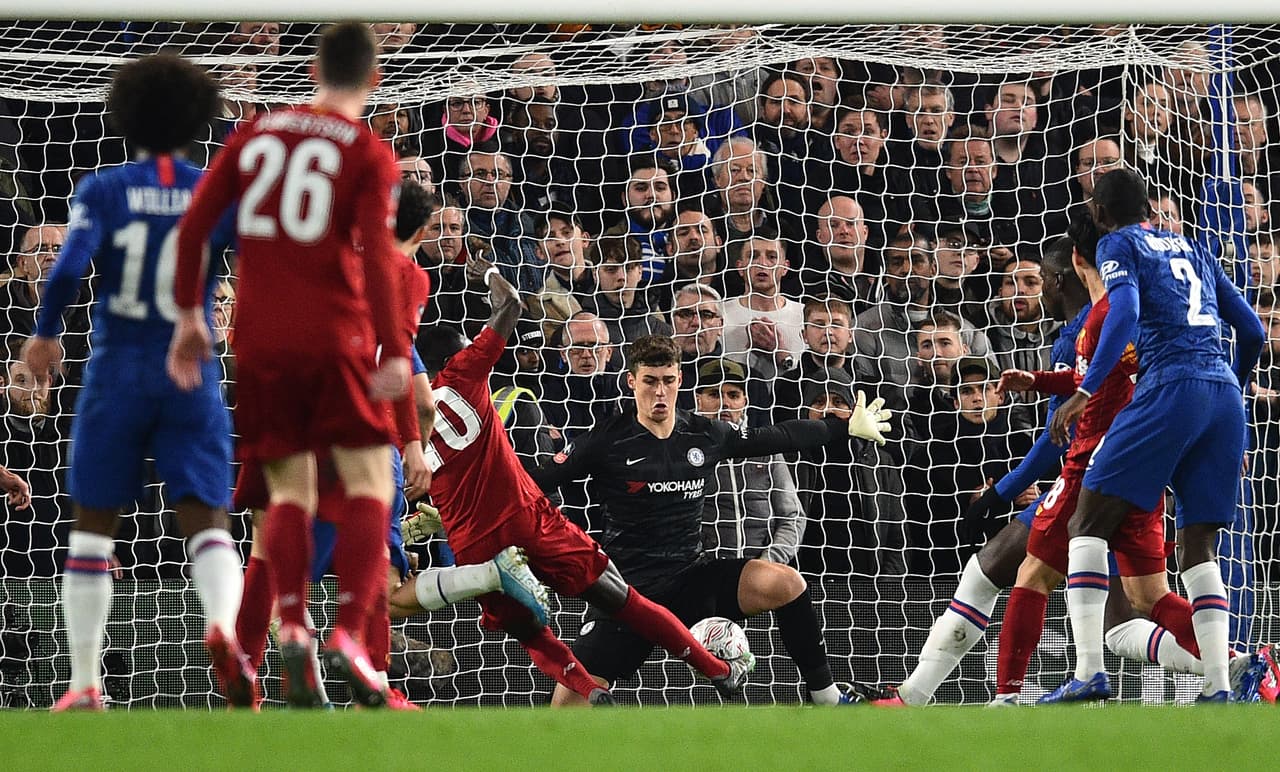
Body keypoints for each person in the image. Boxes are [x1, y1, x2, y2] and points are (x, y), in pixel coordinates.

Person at [167, 22, 412, 709]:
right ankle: (352, 634)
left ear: (310, 68)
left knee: (288, 495)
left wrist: (191, 315)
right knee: (370, 480)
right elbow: (383, 265)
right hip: (332, 339)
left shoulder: (254, 137)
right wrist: (392, 351)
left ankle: (294, 628)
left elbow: (194, 230)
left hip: (259, 346)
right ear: (375, 78)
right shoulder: (367, 152)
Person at [21, 53, 251, 712]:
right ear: (196, 118)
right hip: (191, 365)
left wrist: (44, 330)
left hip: (117, 365)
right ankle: (222, 626)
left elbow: (67, 270)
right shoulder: (211, 188)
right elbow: (257, 248)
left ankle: (86, 684)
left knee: (92, 528)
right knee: (208, 519)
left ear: (123, 117)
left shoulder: (104, 188)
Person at [418, 258, 750, 706]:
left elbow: (406, 477)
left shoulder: (395, 411)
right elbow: (512, 303)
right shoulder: (466, 371)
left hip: (473, 538)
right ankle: (717, 670)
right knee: (624, 599)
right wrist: (490, 274)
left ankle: (589, 688)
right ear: (450, 356)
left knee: (530, 632)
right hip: (526, 511)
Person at [530, 334, 893, 706]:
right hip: (626, 594)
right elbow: (535, 485)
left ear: (680, 381)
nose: (660, 392)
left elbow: (776, 436)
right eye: (650, 381)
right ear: (632, 381)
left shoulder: (704, 435)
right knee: (567, 710)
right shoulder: (605, 441)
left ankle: (826, 696)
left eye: (668, 381)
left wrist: (842, 428)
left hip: (691, 579)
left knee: (787, 583)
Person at [1048, 168, 1266, 702]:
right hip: (1222, 395)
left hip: (1170, 385)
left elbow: (1124, 309)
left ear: (1099, 213)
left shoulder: (1118, 243)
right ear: (1148, 204)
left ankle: (1087, 672)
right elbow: (1254, 332)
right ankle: (1219, 685)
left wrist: (1085, 390)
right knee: (1199, 547)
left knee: (1086, 522)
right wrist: (1229, 396)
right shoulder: (1194, 246)